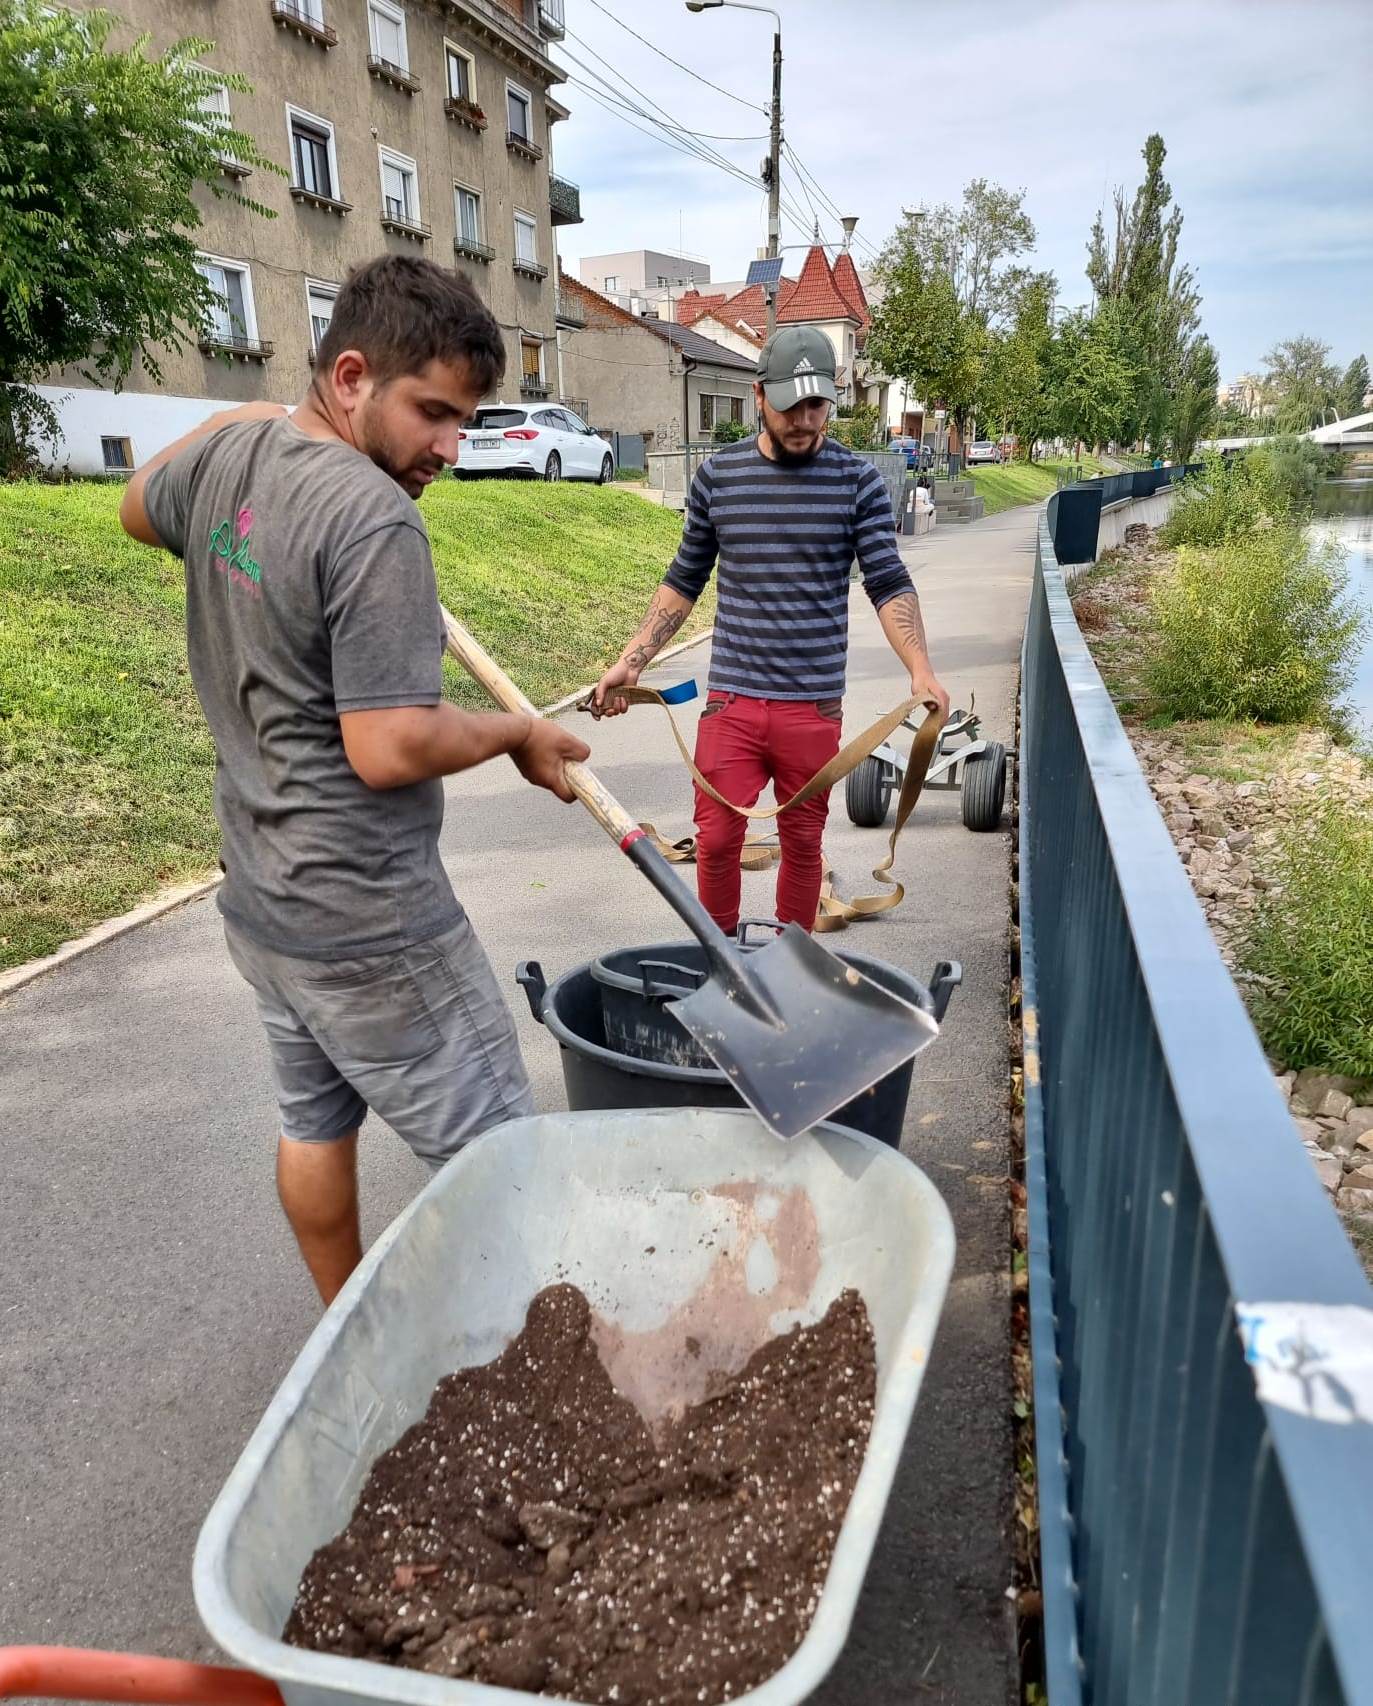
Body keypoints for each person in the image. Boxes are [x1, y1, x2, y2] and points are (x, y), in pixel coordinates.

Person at [118, 255, 589, 1305]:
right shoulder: (373, 520)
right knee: (507, 1162)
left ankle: (347, 1330)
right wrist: (513, 730)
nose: (449, 448)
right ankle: (556, 1381)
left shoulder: (234, 458)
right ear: (348, 376)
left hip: (264, 905)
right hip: (371, 924)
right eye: (431, 413)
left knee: (314, 1123)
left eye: (464, 420)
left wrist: (243, 422)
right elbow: (388, 744)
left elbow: (135, 506)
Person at [593, 326, 948, 937]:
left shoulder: (857, 482)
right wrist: (635, 660)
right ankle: (719, 962)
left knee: (804, 842)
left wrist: (921, 669)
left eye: (818, 405)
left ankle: (792, 971)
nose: (806, 421)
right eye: (792, 406)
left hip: (811, 706)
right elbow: (684, 580)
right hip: (731, 700)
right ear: (760, 395)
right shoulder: (718, 479)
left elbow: (887, 581)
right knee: (717, 838)